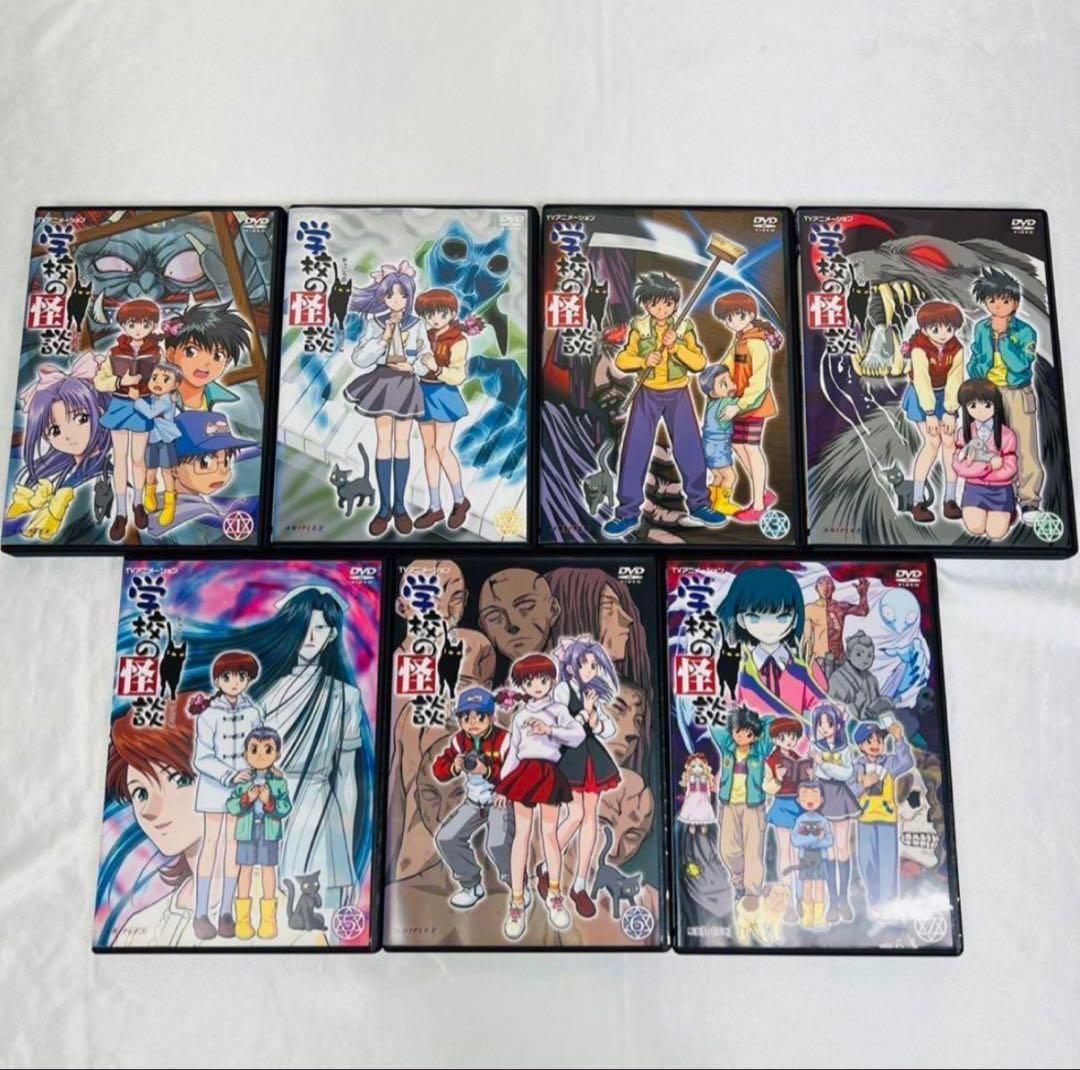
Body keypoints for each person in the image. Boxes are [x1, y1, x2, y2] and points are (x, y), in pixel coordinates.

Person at [602, 271, 727, 537]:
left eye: (667, 303)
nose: (661, 309)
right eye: (655, 304)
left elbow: (699, 363)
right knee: (635, 451)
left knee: (689, 448)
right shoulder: (640, 327)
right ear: (646, 305)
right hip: (646, 394)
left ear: (675, 303)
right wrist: (643, 361)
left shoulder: (683, 327)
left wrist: (677, 347)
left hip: (678, 394)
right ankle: (626, 513)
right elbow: (623, 360)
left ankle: (699, 504)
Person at [496, 654, 586, 940]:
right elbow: (513, 752)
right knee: (521, 836)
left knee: (549, 835)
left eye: (543, 679)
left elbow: (577, 735)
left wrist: (550, 730)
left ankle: (555, 896)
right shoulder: (520, 716)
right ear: (522, 684)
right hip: (523, 773)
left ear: (551, 681)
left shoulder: (558, 709)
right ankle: (517, 902)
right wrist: (502, 785)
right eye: (530, 681)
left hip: (548, 773)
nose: (537, 686)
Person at [535, 637, 622, 918]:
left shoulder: (591, 692)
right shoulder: (562, 690)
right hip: (570, 758)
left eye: (594, 666)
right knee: (575, 814)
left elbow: (608, 729)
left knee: (589, 818)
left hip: (592, 758)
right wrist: (585, 714)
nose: (591, 670)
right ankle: (547, 866)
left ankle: (580, 884)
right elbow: (559, 724)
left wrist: (596, 720)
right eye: (586, 665)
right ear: (572, 667)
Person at [343, 260, 431, 536]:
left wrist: (412, 367)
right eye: (391, 295)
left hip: (406, 382)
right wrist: (384, 337)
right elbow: (360, 358)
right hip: (382, 382)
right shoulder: (375, 323)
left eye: (402, 295)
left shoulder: (417, 324)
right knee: (384, 442)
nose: (396, 300)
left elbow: (427, 356)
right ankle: (384, 509)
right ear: (382, 297)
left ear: (409, 297)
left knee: (402, 443)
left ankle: (400, 507)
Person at [190, 651, 263, 940]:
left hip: (243, 790)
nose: (235, 682)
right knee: (210, 844)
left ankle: (226, 912)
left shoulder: (254, 713)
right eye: (228, 676)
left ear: (249, 679)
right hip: (214, 787)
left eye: (241, 676)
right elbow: (201, 758)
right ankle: (200, 913)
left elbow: (260, 750)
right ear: (218, 679)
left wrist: (254, 776)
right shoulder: (208, 715)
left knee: (234, 846)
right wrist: (230, 774)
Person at [5, 352, 110, 540]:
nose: (68, 435)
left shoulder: (105, 474)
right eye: (55, 430)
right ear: (46, 437)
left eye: (81, 418)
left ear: (100, 413)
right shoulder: (65, 473)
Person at [967, 266, 1042, 519]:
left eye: (1005, 300)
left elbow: (1020, 365)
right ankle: (1002, 499)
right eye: (992, 300)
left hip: (1017, 393)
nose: (997, 306)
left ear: (1015, 303)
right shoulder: (981, 328)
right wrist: (978, 374)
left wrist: (1003, 338)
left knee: (1024, 446)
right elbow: (975, 361)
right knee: (993, 446)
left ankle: (1029, 500)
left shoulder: (1025, 331)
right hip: (989, 394)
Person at [431, 687, 514, 909]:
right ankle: (472, 886)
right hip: (474, 800)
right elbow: (438, 769)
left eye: (480, 717)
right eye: (466, 718)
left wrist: (487, 771)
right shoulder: (459, 741)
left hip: (500, 799)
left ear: (491, 717)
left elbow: (515, 774)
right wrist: (453, 766)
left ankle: (517, 886)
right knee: (446, 838)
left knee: (496, 844)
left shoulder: (505, 739)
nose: (473, 723)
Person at [95, 298, 163, 539]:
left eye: (145, 323)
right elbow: (99, 381)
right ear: (123, 325)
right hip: (120, 404)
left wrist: (150, 388)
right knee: (120, 459)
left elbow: (165, 380)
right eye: (132, 324)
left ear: (153, 325)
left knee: (137, 459)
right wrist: (120, 382)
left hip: (143, 405)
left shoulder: (156, 352)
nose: (138, 329)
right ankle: (121, 512)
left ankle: (138, 503)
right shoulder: (114, 352)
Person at [713, 291, 782, 521]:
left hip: (754, 405)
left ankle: (759, 504)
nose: (733, 321)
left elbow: (759, 383)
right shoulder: (740, 340)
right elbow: (727, 365)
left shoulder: (757, 344)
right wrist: (714, 379)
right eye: (728, 318)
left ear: (751, 315)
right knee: (738, 444)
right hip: (738, 403)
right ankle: (763, 491)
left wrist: (739, 405)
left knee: (751, 448)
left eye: (739, 316)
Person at [413, 288, 475, 531]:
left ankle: (460, 500)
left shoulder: (458, 340)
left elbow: (458, 376)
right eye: (429, 315)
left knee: (441, 448)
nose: (435, 319)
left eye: (441, 313)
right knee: (428, 449)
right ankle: (435, 506)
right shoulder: (423, 334)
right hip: (423, 391)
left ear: (451, 313)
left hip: (444, 393)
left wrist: (436, 368)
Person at [900, 300, 965, 523]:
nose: (943, 334)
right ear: (925, 329)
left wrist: (950, 411)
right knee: (932, 442)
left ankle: (950, 499)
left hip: (946, 395)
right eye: (935, 329)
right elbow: (922, 380)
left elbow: (955, 380)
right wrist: (929, 413)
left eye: (949, 328)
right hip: (921, 395)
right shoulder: (919, 348)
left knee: (950, 442)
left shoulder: (957, 348)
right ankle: (917, 501)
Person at [226, 727, 292, 940]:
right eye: (254, 750)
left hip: (269, 832)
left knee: (268, 870)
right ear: (245, 754)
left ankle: (268, 921)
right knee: (245, 871)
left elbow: (285, 808)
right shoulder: (243, 781)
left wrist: (269, 801)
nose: (261, 755)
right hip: (246, 832)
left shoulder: (279, 782)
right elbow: (232, 806)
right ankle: (243, 921)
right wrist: (246, 798)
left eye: (268, 749)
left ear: (277, 754)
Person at [711, 706, 772, 913]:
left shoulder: (760, 749)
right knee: (728, 850)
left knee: (753, 852)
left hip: (753, 808)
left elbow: (771, 722)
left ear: (755, 735)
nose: (741, 737)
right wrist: (735, 717)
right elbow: (715, 727)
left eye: (747, 733)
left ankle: (752, 894)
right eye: (737, 731)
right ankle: (739, 882)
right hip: (729, 806)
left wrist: (755, 723)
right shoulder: (728, 745)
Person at [852, 720, 914, 913]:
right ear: (860, 745)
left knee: (887, 861)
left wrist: (899, 739)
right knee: (866, 861)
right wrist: (863, 785)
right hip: (865, 819)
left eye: (879, 740)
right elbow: (849, 790)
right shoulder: (856, 767)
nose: (875, 744)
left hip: (887, 819)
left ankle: (888, 903)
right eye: (869, 740)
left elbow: (907, 762)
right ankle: (875, 899)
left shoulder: (889, 762)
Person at [952, 377, 1018, 540]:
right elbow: (959, 466)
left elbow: (1010, 467)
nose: (980, 411)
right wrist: (987, 467)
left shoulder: (1007, 435)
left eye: (987, 405)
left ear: (996, 405)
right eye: (973, 406)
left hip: (1000, 490)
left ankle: (1009, 511)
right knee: (976, 528)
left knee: (995, 533)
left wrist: (976, 469)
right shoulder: (963, 433)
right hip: (974, 489)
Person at [698, 363, 754, 516]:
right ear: (713, 393)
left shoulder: (711, 402)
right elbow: (744, 404)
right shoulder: (726, 402)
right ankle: (723, 503)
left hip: (707, 447)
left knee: (718, 476)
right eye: (724, 384)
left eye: (730, 380)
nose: (731, 385)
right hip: (719, 448)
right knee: (730, 476)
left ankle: (713, 500)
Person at [134, 361, 183, 527]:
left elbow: (150, 413)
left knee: (166, 472)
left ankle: (169, 505)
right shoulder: (153, 397)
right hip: (151, 439)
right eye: (154, 377)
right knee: (151, 470)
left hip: (165, 441)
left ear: (175, 385)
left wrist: (137, 400)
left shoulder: (166, 400)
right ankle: (149, 493)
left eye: (165, 379)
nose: (158, 382)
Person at [790, 780, 832, 930]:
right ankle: (808, 916)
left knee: (820, 886)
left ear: (821, 800)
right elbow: (795, 840)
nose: (809, 800)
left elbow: (829, 840)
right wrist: (815, 839)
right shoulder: (800, 820)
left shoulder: (823, 821)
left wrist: (810, 841)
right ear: (798, 800)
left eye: (814, 796)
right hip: (805, 857)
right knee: (807, 886)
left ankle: (819, 917)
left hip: (821, 858)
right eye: (804, 796)